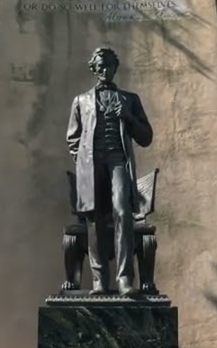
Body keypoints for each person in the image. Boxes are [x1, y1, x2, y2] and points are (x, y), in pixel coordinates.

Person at [66, 47, 154, 296]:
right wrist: (83, 161)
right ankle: (99, 280)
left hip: (118, 160)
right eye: (100, 66)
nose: (105, 70)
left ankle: (125, 279)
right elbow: (73, 138)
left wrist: (128, 117)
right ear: (94, 69)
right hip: (91, 163)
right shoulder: (81, 101)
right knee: (94, 218)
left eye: (109, 66)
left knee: (122, 212)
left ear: (115, 68)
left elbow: (146, 137)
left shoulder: (130, 99)